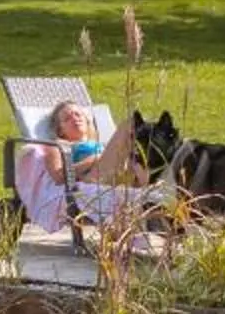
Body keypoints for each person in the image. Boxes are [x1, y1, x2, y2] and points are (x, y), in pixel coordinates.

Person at [14, 98, 159, 237]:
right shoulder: (57, 146)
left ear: (87, 121)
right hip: (89, 180)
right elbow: (58, 176)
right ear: (60, 130)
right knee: (130, 124)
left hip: (116, 177)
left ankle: (146, 181)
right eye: (67, 118)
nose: (75, 118)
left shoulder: (100, 144)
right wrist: (92, 160)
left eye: (78, 114)